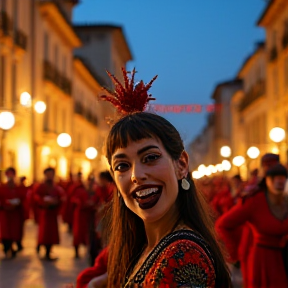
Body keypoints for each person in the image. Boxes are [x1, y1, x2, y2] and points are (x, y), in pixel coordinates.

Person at [98, 68, 231, 287]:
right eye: (122, 165)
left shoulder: (184, 255)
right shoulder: (142, 248)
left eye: (150, 157)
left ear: (181, 165)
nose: (136, 176)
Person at [216, 163, 288, 288]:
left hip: (283, 257)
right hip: (262, 261)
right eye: (275, 178)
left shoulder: (285, 201)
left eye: (282, 178)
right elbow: (223, 224)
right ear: (267, 180)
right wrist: (233, 253)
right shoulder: (254, 201)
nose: (279, 182)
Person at [34, 167, 65, 261]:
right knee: (44, 232)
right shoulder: (41, 186)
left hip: (52, 213)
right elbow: (36, 197)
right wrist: (43, 201)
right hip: (44, 213)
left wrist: (56, 201)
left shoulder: (56, 187)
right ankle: (42, 246)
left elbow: (61, 197)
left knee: (52, 233)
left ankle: (48, 250)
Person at [0, 167, 26, 258]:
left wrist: (17, 203)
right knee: (6, 232)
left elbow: (23, 197)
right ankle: (7, 248)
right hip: (5, 214)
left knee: (14, 231)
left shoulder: (18, 188)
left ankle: (14, 246)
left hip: (15, 213)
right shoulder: (2, 187)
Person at [71, 175, 99, 260]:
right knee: (78, 233)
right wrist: (82, 203)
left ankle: (90, 251)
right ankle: (76, 251)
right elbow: (74, 200)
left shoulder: (95, 191)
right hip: (80, 215)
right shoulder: (79, 190)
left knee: (90, 234)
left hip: (90, 216)